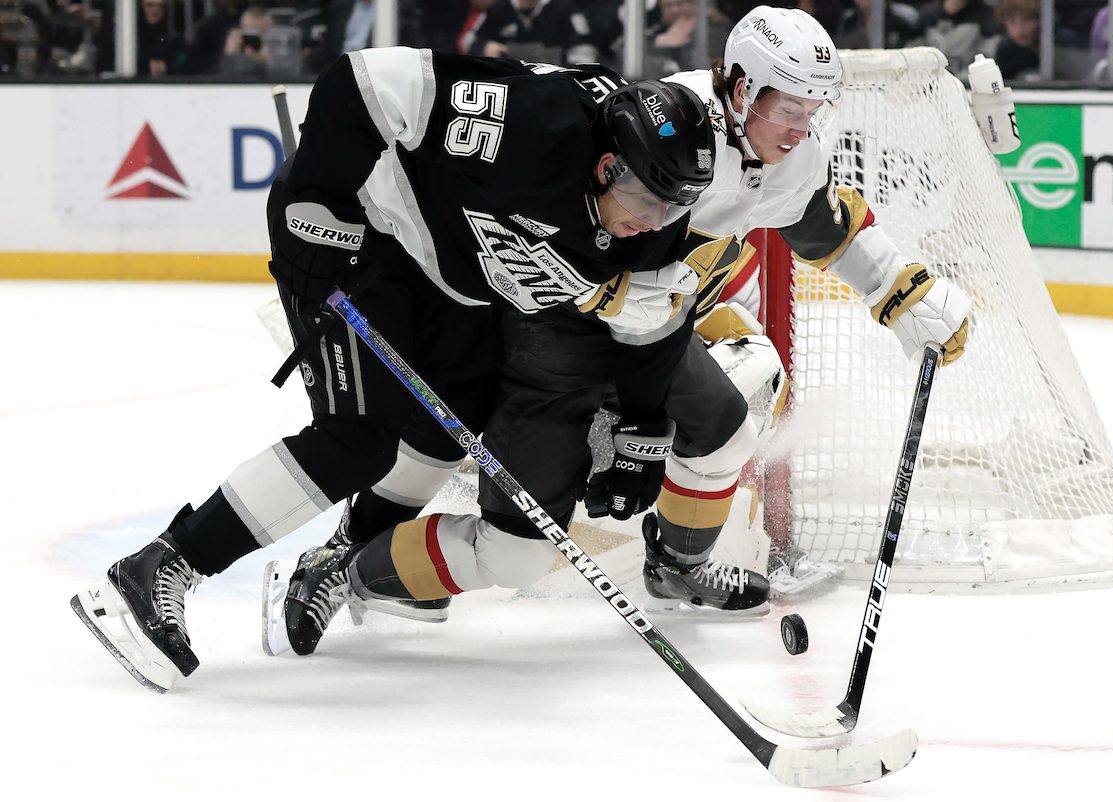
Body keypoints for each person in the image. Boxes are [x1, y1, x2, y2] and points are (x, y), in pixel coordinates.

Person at [286, 6, 972, 649]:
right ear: (738, 88)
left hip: (648, 328)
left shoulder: (789, 158)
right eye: (787, 107)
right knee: (509, 537)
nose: (800, 128)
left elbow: (820, 220)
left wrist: (902, 289)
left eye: (811, 110)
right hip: (548, 331)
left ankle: (678, 563)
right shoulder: (666, 128)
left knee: (727, 427)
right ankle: (348, 563)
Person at [72, 46, 716, 690]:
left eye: (672, 208)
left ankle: (343, 552)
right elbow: (368, 81)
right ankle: (161, 565)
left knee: (448, 424)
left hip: (449, 281)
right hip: (356, 236)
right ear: (606, 165)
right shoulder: (529, 127)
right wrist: (315, 202)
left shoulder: (654, 221)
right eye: (644, 199)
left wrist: (644, 425)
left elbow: (653, 321)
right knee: (360, 438)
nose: (653, 223)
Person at [459, 0, 597, 64]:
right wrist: (484, 46)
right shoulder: (498, 8)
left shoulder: (564, 8)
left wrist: (574, 71)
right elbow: (467, 39)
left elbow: (585, 42)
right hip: (511, 78)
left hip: (556, 78)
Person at [910, 0, 1000, 81]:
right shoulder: (928, 14)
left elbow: (989, 57)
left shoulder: (985, 16)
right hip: (930, 83)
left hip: (967, 83)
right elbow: (912, 51)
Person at [137, 0, 187, 77]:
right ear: (140, 7)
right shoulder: (129, 37)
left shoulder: (174, 38)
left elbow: (183, 59)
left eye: (160, 6)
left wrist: (167, 67)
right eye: (150, 5)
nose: (155, 10)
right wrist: (146, 65)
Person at [993, 0, 1039, 81]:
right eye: (1012, 21)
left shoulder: (1054, 50)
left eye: (1027, 20)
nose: (1020, 29)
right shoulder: (1003, 53)